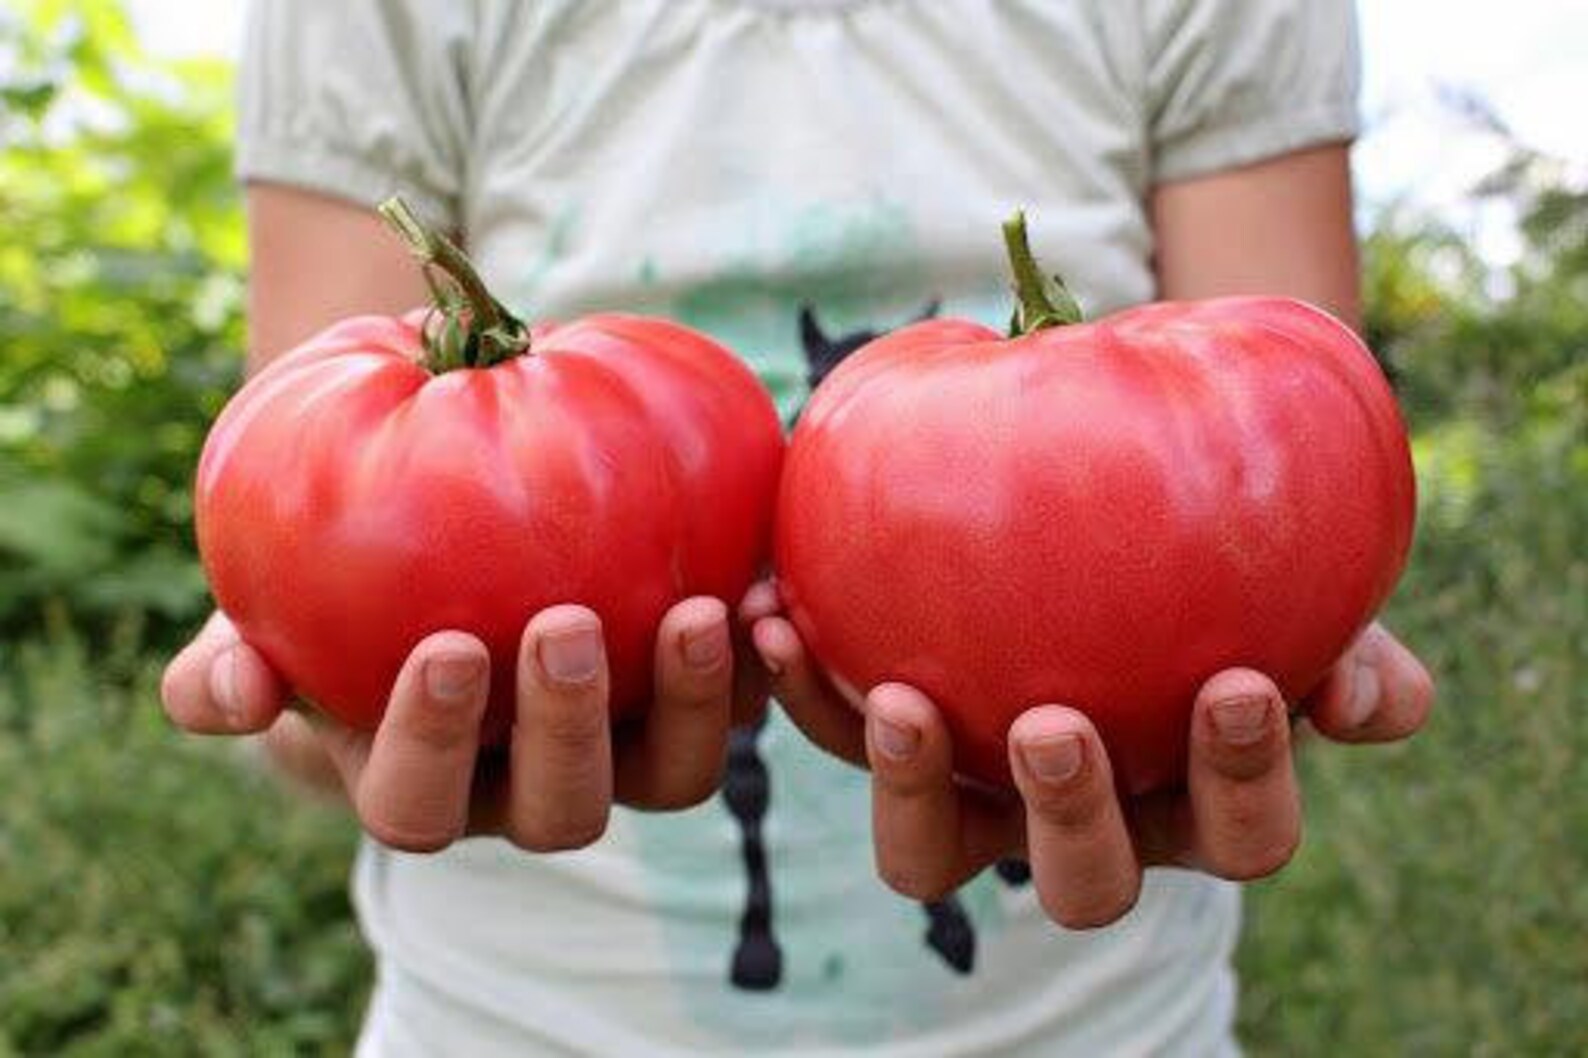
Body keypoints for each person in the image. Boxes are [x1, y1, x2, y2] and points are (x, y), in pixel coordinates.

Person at [160, 1, 1435, 1054]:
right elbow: (308, 539)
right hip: (505, 1020)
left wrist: (1276, 695)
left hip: (1109, 1022)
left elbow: (1289, 505)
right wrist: (328, 714)